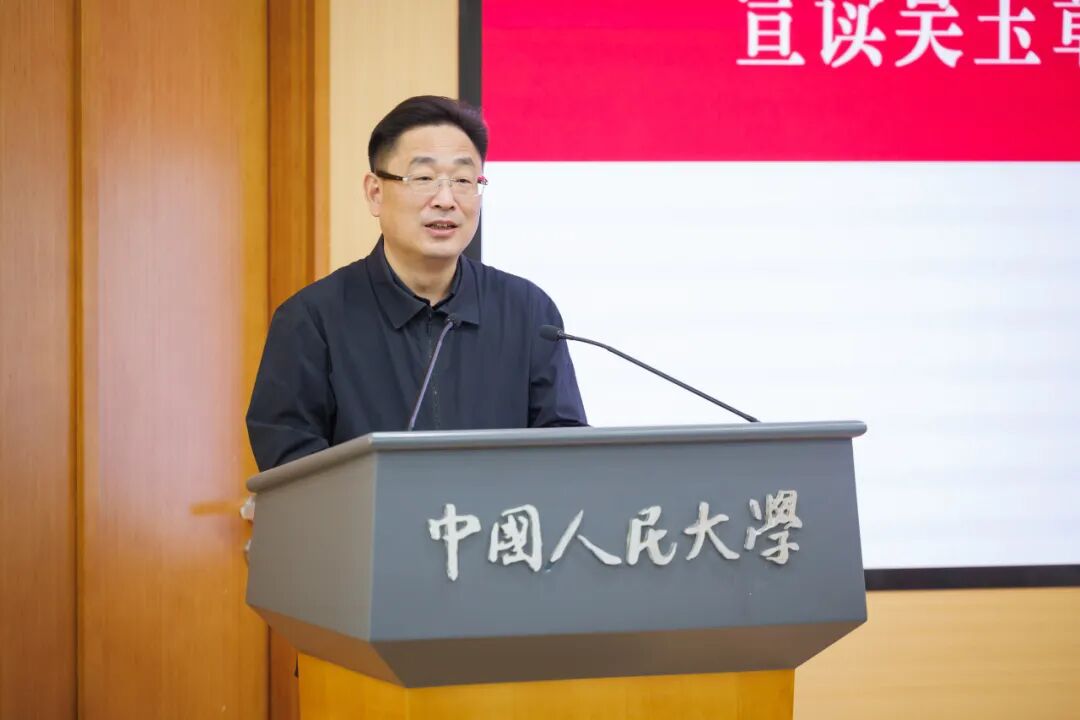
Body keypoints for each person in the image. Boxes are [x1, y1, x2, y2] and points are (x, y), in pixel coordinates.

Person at [246, 96, 587, 471]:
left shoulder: (529, 312)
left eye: (463, 180)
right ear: (375, 192)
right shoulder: (312, 321)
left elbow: (565, 454)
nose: (446, 200)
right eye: (424, 178)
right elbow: (293, 471)